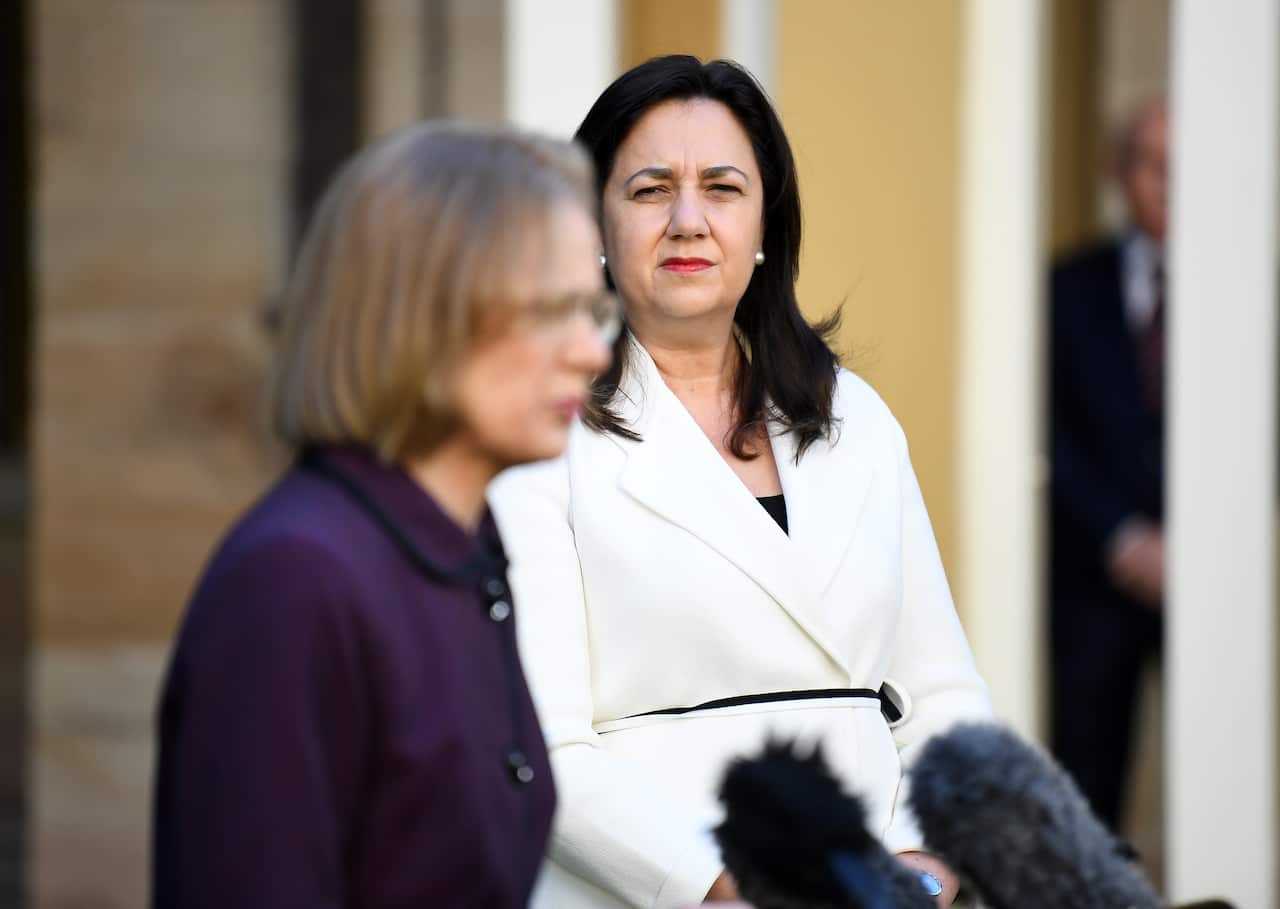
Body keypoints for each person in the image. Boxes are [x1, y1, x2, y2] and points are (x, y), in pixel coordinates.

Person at [488, 56, 992, 909]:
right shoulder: (540, 436)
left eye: (722, 188)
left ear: (765, 224)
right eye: (651, 190)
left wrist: (924, 867)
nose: (688, 220)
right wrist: (727, 886)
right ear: (594, 227)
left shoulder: (857, 418)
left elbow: (945, 698)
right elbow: (544, 746)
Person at [151, 121, 618, 907]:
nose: (592, 351)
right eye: (551, 310)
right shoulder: (294, 578)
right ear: (423, 312)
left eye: (593, 311)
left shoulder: (462, 547)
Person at [1048, 99, 1169, 831]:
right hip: (1095, 577)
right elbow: (1045, 432)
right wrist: (1123, 538)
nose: (1172, 184)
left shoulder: (1249, 290)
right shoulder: (1068, 286)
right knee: (1089, 781)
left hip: (1212, 574)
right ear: (1120, 174)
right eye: (1154, 165)